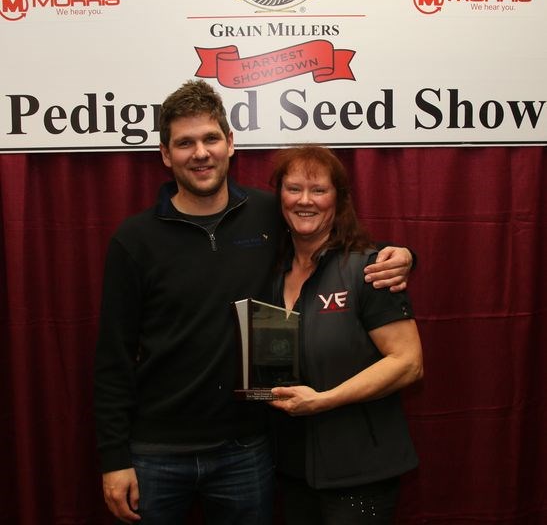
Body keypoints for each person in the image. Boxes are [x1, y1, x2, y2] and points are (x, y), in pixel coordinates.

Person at [93, 80, 414, 524]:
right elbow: (113, 358)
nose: (200, 153)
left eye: (210, 138)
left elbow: (331, 236)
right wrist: (114, 458)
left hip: (247, 449)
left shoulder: (269, 213)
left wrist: (404, 255)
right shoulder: (134, 240)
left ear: (230, 143)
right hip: (157, 453)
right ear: (166, 155)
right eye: (185, 143)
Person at [268, 145, 423, 525]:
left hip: (360, 474)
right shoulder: (271, 273)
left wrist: (324, 400)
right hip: (291, 470)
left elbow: (408, 364)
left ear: (338, 199)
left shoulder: (370, 269)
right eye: (294, 188)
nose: (305, 200)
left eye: (319, 189)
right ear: (279, 196)